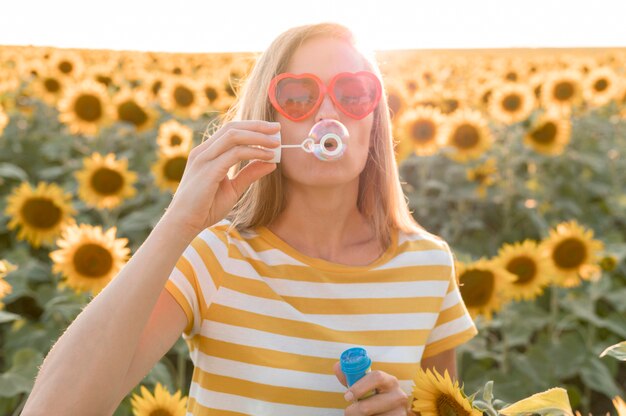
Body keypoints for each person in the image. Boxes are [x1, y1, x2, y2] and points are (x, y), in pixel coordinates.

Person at [23, 22, 478, 415]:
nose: (327, 113)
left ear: (374, 121)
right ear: (266, 119)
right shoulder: (215, 258)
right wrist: (180, 222)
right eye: (297, 96)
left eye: (353, 93)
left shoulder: (428, 266)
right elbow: (56, 410)